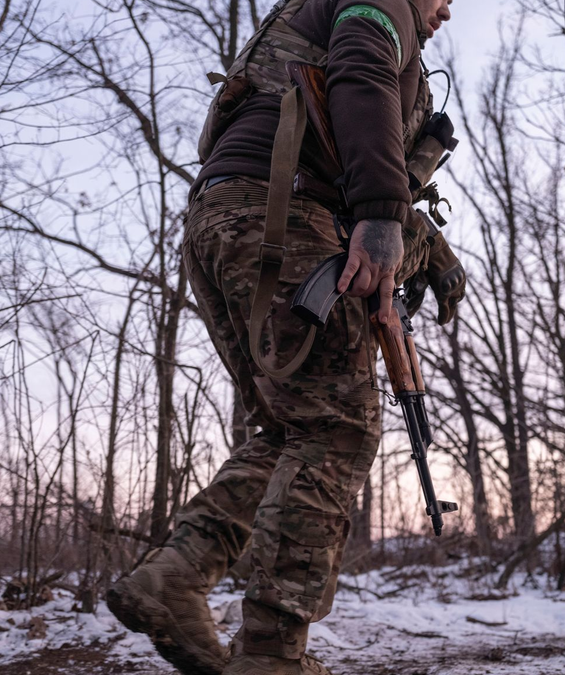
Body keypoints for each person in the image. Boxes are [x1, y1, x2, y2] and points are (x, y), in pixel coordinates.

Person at [107, 0, 465, 672]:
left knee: (290, 427)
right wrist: (383, 214)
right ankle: (271, 654)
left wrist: (419, 233)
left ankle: (174, 578)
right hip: (280, 216)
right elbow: (362, 69)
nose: (448, 10)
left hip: (226, 218)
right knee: (337, 428)